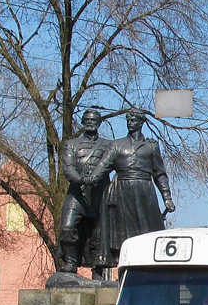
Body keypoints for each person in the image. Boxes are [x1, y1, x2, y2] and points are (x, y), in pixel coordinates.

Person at [91, 109, 175, 262]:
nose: (130, 123)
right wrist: (88, 179)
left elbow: (159, 173)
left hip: (145, 191)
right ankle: (122, 262)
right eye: (128, 120)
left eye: (133, 120)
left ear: (141, 122)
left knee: (149, 233)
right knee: (122, 233)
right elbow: (102, 167)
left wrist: (167, 197)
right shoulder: (116, 145)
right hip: (122, 191)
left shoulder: (151, 146)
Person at [57, 109, 112, 273]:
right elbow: (68, 168)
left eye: (94, 119)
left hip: (100, 193)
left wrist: (147, 143)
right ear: (82, 122)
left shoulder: (108, 145)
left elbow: (123, 158)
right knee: (67, 227)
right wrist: (82, 180)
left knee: (98, 233)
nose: (90, 122)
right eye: (87, 119)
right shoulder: (71, 144)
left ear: (99, 122)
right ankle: (71, 262)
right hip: (77, 193)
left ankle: (98, 269)